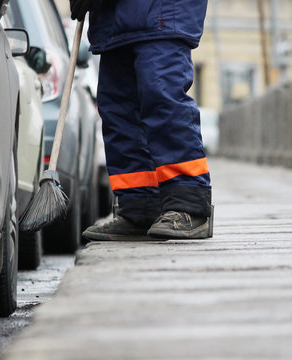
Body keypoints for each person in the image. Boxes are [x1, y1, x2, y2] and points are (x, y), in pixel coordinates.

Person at [70, 0, 213, 240]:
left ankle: (189, 205)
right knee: (118, 111)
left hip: (160, 11)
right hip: (112, 21)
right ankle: (139, 207)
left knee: (162, 98)